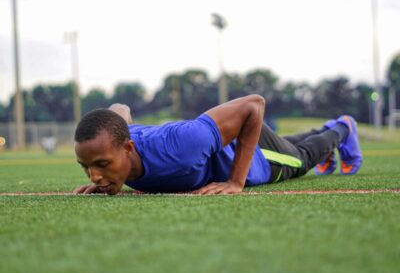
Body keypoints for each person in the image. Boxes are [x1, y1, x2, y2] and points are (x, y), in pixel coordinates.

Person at [73, 95, 362, 195]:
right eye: (86, 167)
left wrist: (236, 181)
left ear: (127, 148)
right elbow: (119, 108)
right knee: (290, 146)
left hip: (251, 154)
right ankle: (327, 129)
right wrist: (108, 177)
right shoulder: (118, 138)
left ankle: (342, 127)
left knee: (300, 159)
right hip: (228, 140)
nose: (95, 177)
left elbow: (254, 104)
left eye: (102, 165)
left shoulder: (181, 147)